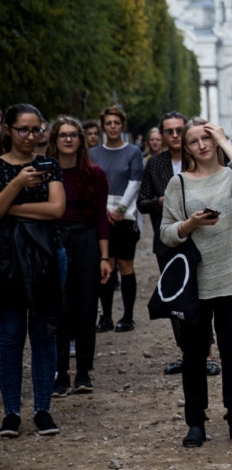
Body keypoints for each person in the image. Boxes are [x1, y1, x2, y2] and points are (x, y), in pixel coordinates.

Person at [159, 117, 232, 448]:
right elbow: (166, 233)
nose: (201, 145)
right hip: (195, 284)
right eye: (194, 141)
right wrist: (189, 225)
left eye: (207, 138)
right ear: (185, 148)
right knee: (193, 354)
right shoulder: (179, 184)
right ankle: (196, 422)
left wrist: (224, 139)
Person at [0, 104, 66, 437]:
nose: (30, 136)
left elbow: (56, 209)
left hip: (47, 258)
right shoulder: (1, 167)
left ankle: (43, 409)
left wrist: (12, 207)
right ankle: (11, 411)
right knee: (9, 338)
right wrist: (17, 184)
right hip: (6, 261)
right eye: (23, 129)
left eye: (36, 129)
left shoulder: (48, 164)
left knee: (44, 335)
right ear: (8, 130)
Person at [138, 111, 220, 377]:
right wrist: (161, 202)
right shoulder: (155, 164)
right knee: (176, 299)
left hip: (203, 238)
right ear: (161, 135)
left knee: (203, 297)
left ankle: (207, 354)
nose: (173, 135)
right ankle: (186, 353)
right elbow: (142, 201)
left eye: (178, 130)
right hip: (169, 241)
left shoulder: (200, 158)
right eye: (168, 131)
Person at [47, 116, 112, 396]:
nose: (69, 139)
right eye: (63, 135)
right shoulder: (46, 173)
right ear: (55, 140)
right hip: (56, 240)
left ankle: (84, 372)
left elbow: (101, 216)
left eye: (73, 134)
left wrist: (105, 256)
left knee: (86, 307)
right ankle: (60, 372)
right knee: (59, 308)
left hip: (86, 240)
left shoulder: (94, 174)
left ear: (81, 140)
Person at [90, 106, 144, 333]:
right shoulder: (93, 153)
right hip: (102, 215)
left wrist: (120, 208)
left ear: (122, 126)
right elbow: (92, 184)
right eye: (109, 123)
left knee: (125, 265)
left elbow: (136, 181)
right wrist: (103, 211)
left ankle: (128, 316)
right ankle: (107, 316)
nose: (113, 127)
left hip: (125, 213)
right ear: (103, 126)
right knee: (106, 265)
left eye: (116, 123)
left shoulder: (132, 152)